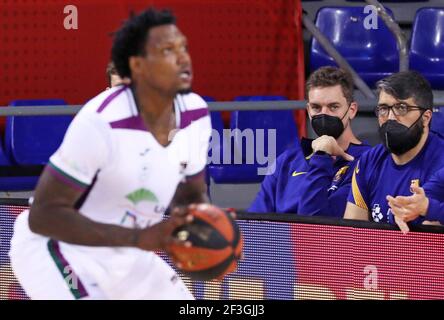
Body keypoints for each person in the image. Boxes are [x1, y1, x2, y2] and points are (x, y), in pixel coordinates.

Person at [9, 7, 211, 300]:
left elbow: (191, 196)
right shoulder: (100, 121)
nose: (183, 58)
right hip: (59, 248)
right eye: (168, 50)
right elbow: (43, 215)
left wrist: (208, 230)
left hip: (128, 253)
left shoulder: (196, 114)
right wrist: (140, 237)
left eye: (183, 47)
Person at [248, 66, 371, 216]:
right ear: (308, 110)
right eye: (316, 107)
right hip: (281, 239)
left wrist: (321, 156)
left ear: (352, 110)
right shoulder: (286, 162)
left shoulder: (367, 162)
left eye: (333, 107)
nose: (324, 114)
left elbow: (318, 224)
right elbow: (255, 222)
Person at [344, 70, 444, 231]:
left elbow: (427, 244)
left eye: (401, 108)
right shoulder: (368, 162)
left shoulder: (440, 163)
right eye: (383, 108)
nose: (390, 117)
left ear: (425, 118)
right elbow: (352, 233)